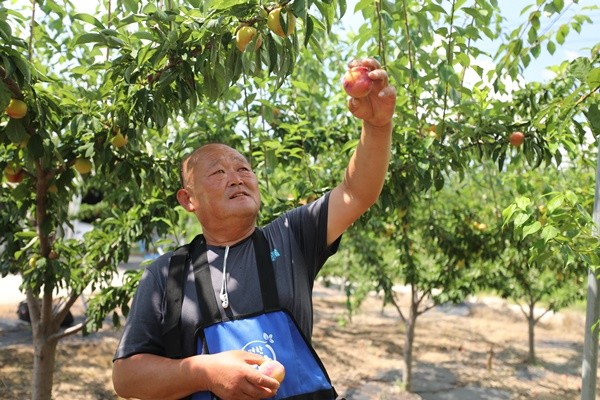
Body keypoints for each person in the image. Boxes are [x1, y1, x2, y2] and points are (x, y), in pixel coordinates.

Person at [112, 57, 396, 400]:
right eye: (218, 173)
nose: (236, 178)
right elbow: (126, 378)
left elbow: (355, 192)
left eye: (244, 169)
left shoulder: (292, 236)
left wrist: (377, 127)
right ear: (188, 199)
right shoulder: (167, 275)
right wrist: (205, 372)